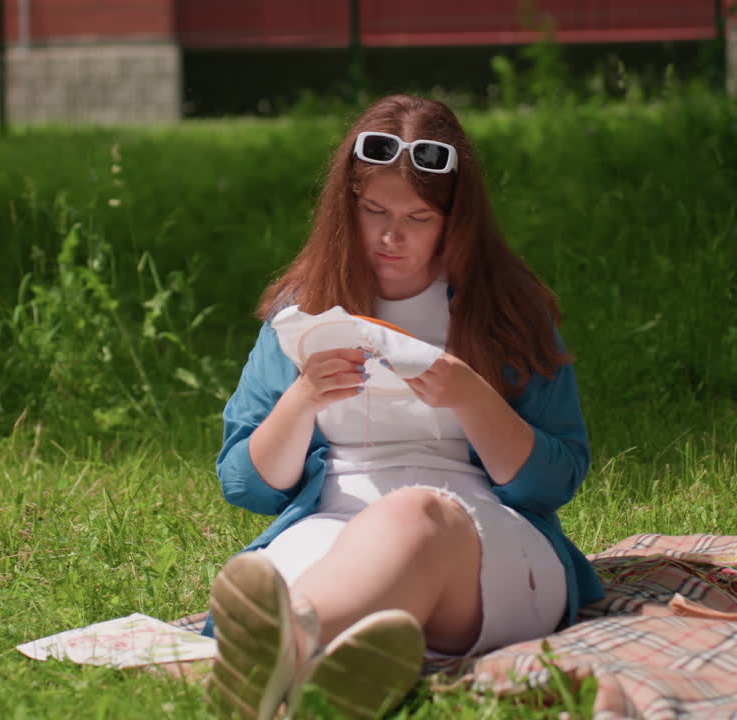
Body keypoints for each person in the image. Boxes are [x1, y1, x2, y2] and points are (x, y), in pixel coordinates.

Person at [205, 94, 603, 720]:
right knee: (320, 564)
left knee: (414, 514)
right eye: (374, 211)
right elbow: (243, 482)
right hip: (329, 535)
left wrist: (472, 396)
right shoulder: (302, 309)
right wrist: (304, 397)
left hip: (482, 539)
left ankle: (281, 649)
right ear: (347, 207)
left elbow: (556, 481)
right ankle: (316, 679)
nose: (392, 236)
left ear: (455, 221)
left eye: (419, 218)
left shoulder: (508, 310)